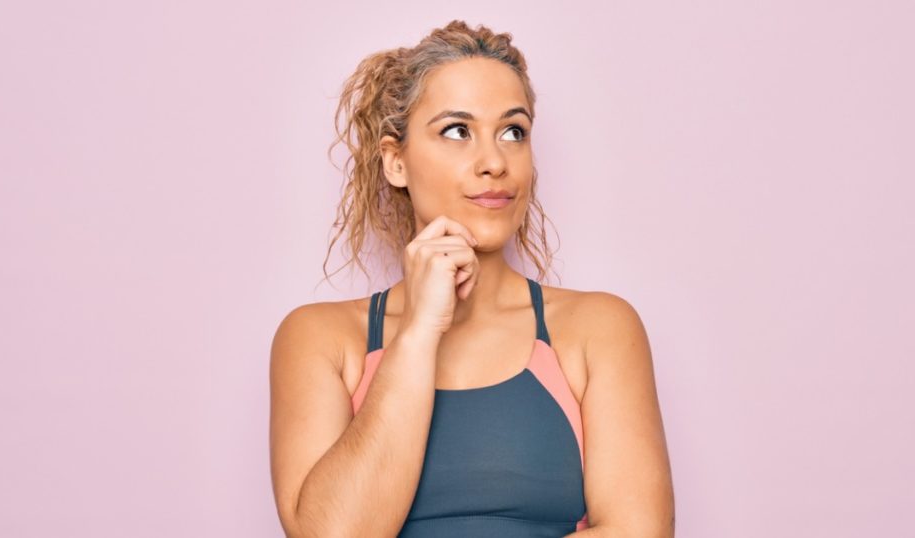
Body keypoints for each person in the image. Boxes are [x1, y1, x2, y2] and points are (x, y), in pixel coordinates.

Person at [269, 20, 674, 537]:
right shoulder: (320, 339)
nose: (494, 162)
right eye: (457, 131)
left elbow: (640, 532)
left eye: (513, 132)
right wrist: (418, 333)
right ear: (396, 162)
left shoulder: (599, 328)